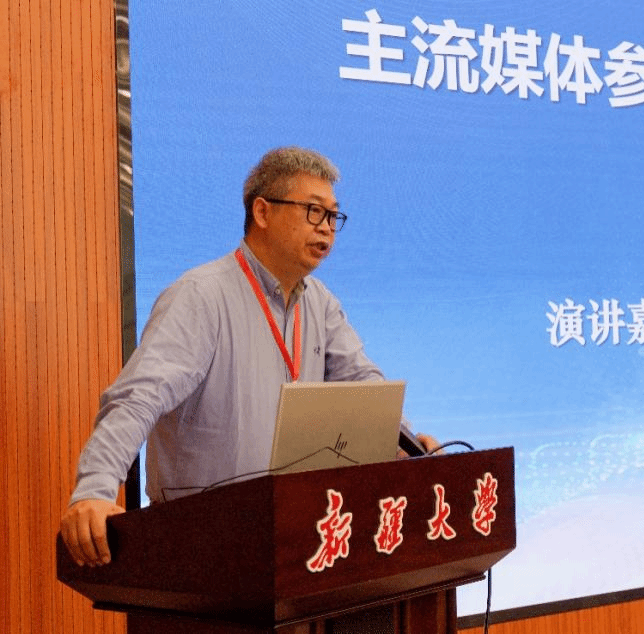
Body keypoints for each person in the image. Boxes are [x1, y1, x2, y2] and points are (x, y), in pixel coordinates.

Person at [60, 146, 436, 567]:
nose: (327, 229)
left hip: (295, 538)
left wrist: (407, 444)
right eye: (314, 211)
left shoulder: (320, 303)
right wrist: (95, 489)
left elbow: (364, 385)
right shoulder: (201, 296)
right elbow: (138, 398)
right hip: (202, 540)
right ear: (262, 212)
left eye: (333, 216)